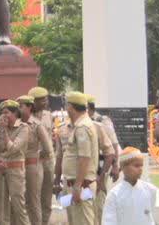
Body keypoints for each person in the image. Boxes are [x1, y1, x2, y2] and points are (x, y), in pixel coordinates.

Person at [57, 92, 100, 225]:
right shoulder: (81, 125)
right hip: (76, 184)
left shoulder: (82, 127)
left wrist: (77, 186)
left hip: (81, 186)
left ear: (70, 106)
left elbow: (84, 157)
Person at [16, 95, 54, 225]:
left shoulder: (37, 125)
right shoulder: (17, 124)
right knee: (22, 201)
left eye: (21, 106)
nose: (18, 109)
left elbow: (48, 148)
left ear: (29, 107)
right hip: (18, 167)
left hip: (33, 167)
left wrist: (38, 158)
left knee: (33, 201)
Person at [0, 99, 30, 225]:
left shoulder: (23, 128)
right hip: (0, 170)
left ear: (15, 113)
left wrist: (4, 131)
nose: (4, 116)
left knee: (18, 205)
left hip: (15, 170)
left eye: (7, 112)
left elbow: (13, 148)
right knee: (1, 207)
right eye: (2, 113)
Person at [101, 147, 157, 225]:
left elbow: (149, 218)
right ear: (123, 167)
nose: (140, 169)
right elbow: (109, 221)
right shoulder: (114, 195)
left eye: (141, 165)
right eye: (136, 166)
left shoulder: (150, 190)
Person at [87, 97, 119, 225]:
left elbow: (114, 144)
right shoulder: (79, 123)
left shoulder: (102, 122)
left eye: (84, 109)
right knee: (87, 202)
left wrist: (116, 165)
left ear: (91, 109)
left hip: (101, 167)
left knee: (99, 200)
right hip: (86, 168)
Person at [30, 86, 57, 223]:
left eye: (46, 99)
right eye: (42, 100)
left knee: (46, 197)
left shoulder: (48, 115)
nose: (45, 102)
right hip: (34, 162)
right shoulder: (26, 117)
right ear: (33, 102)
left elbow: (52, 135)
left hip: (48, 161)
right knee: (33, 197)